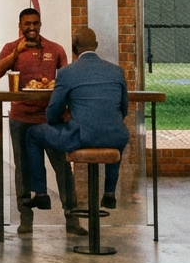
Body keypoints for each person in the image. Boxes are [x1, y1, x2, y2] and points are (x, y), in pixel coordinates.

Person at [0, 7, 79, 236]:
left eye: (35, 23)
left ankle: (72, 219)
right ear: (20, 26)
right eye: (27, 24)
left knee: (62, 167)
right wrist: (16, 53)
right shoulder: (12, 48)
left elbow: (67, 81)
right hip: (21, 118)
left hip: (50, 119)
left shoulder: (55, 49)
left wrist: (65, 111)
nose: (31, 28)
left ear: (40, 24)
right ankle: (25, 220)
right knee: (23, 169)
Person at [24, 28, 129, 212]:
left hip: (81, 137)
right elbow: (123, 109)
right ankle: (109, 192)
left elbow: (51, 114)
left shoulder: (67, 73)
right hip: (116, 136)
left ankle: (41, 193)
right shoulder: (117, 72)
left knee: (32, 134)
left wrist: (65, 115)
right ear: (96, 46)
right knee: (113, 131)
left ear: (74, 47)